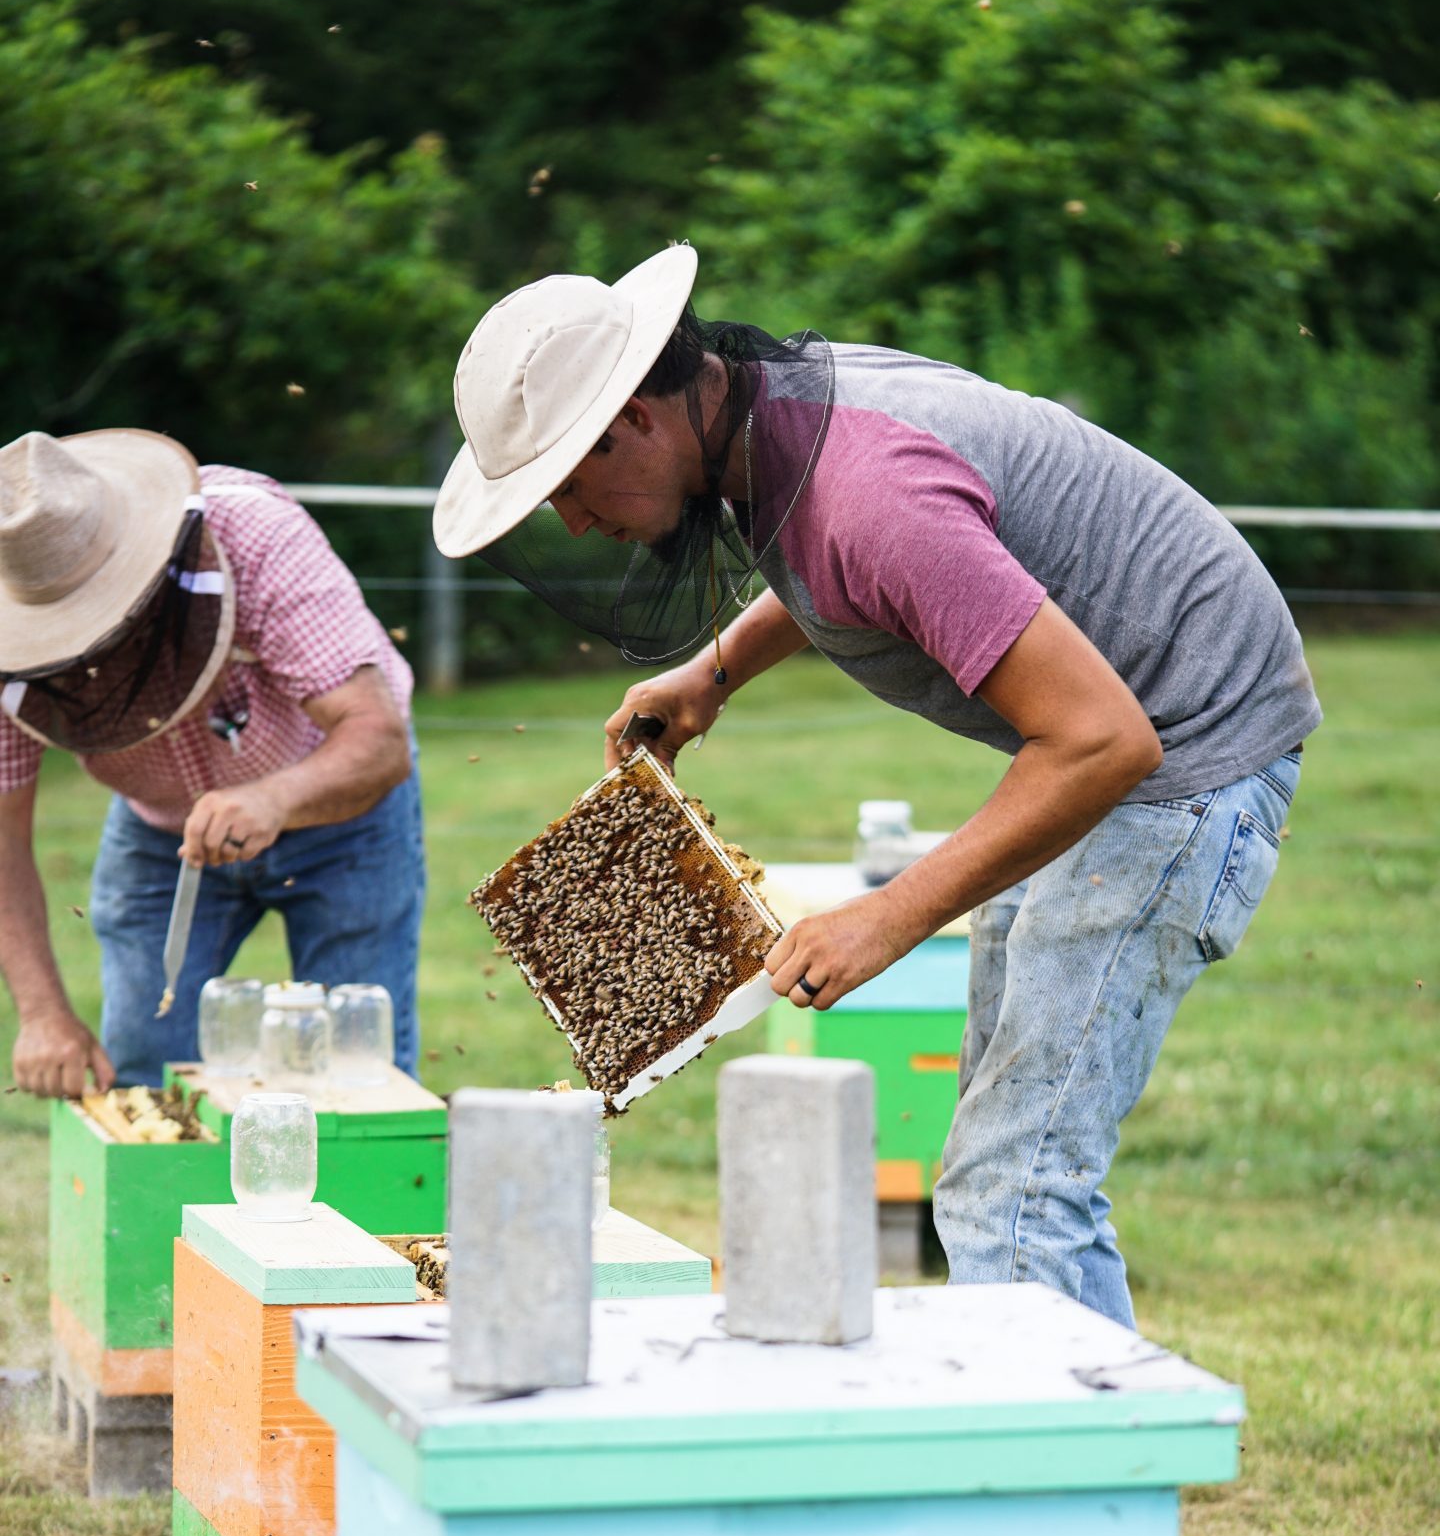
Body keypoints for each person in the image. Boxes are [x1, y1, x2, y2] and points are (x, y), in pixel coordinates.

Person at [433, 242, 1320, 1327]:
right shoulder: (772, 425)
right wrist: (719, 669)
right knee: (997, 1167)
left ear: (636, 421)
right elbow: (840, 562)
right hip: (1139, 731)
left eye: (570, 485)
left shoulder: (869, 489)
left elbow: (1100, 742)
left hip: (1185, 754)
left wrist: (888, 917)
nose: (574, 522)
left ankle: (1056, 1490)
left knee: (1017, 1190)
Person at [0, 427, 424, 1094]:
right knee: (146, 1071)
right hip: (157, 832)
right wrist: (43, 1013)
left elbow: (376, 739)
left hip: (339, 807)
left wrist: (273, 799)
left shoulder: (255, 538)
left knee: (360, 1072)